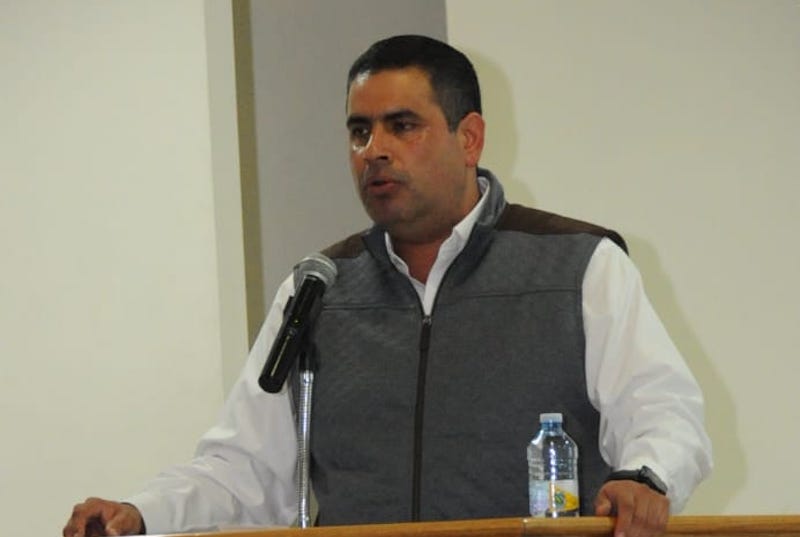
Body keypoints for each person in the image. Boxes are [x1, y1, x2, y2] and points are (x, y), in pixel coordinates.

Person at [64, 35, 712, 537]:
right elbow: (245, 470)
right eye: (359, 130)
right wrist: (140, 514)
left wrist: (645, 478)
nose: (373, 149)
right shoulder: (317, 290)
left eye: (402, 126)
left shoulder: (577, 265)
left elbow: (663, 413)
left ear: (470, 138)